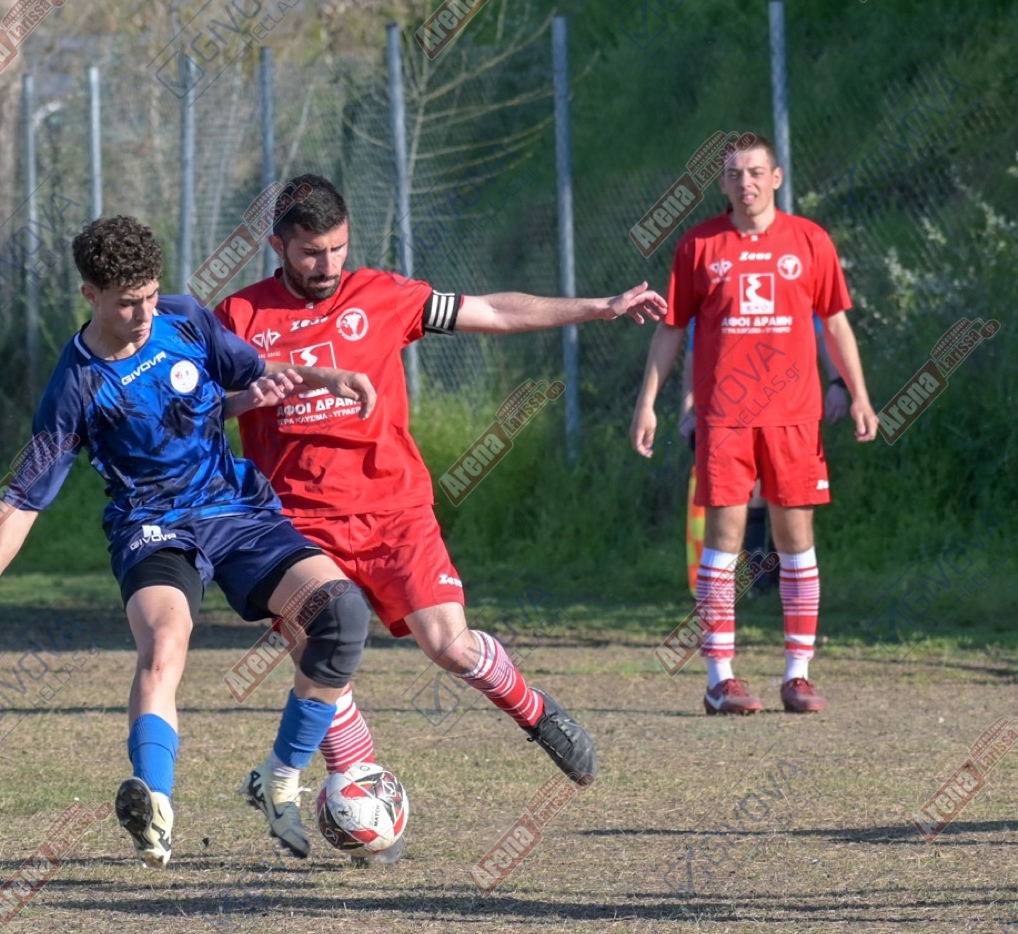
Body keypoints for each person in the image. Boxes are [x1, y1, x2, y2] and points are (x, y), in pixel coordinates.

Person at [0, 215, 380, 867]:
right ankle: (155, 805)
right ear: (90, 294)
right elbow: (26, 498)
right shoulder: (76, 383)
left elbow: (249, 372)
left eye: (149, 294)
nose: (144, 313)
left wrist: (323, 378)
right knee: (165, 643)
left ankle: (279, 777)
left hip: (234, 507)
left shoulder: (184, 318)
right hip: (152, 527)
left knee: (341, 614)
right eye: (126, 302)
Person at [215, 174, 666, 801]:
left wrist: (600, 307)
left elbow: (494, 311)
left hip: (393, 508)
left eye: (338, 248)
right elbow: (200, 409)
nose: (328, 265)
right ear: (278, 246)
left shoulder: (383, 295)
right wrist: (251, 397)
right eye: (311, 252)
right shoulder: (238, 317)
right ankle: (360, 790)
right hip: (296, 525)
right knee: (321, 659)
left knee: (450, 646)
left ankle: (536, 712)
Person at [631, 135, 878, 715]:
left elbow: (835, 325)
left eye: (756, 171)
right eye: (735, 173)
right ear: (723, 183)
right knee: (724, 542)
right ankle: (720, 680)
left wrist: (859, 396)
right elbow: (671, 329)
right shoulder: (699, 246)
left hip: (794, 416)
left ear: (776, 177)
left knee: (796, 541)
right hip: (725, 417)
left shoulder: (810, 241)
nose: (746, 182)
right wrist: (648, 402)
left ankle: (798, 676)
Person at [680, 315, 851, 598]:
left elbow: (824, 331)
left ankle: (778, 570)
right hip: (730, 412)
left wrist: (838, 383)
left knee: (787, 499)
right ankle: (754, 569)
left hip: (789, 410)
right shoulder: (710, 292)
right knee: (743, 494)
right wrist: (688, 411)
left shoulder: (795, 290)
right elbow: (692, 352)